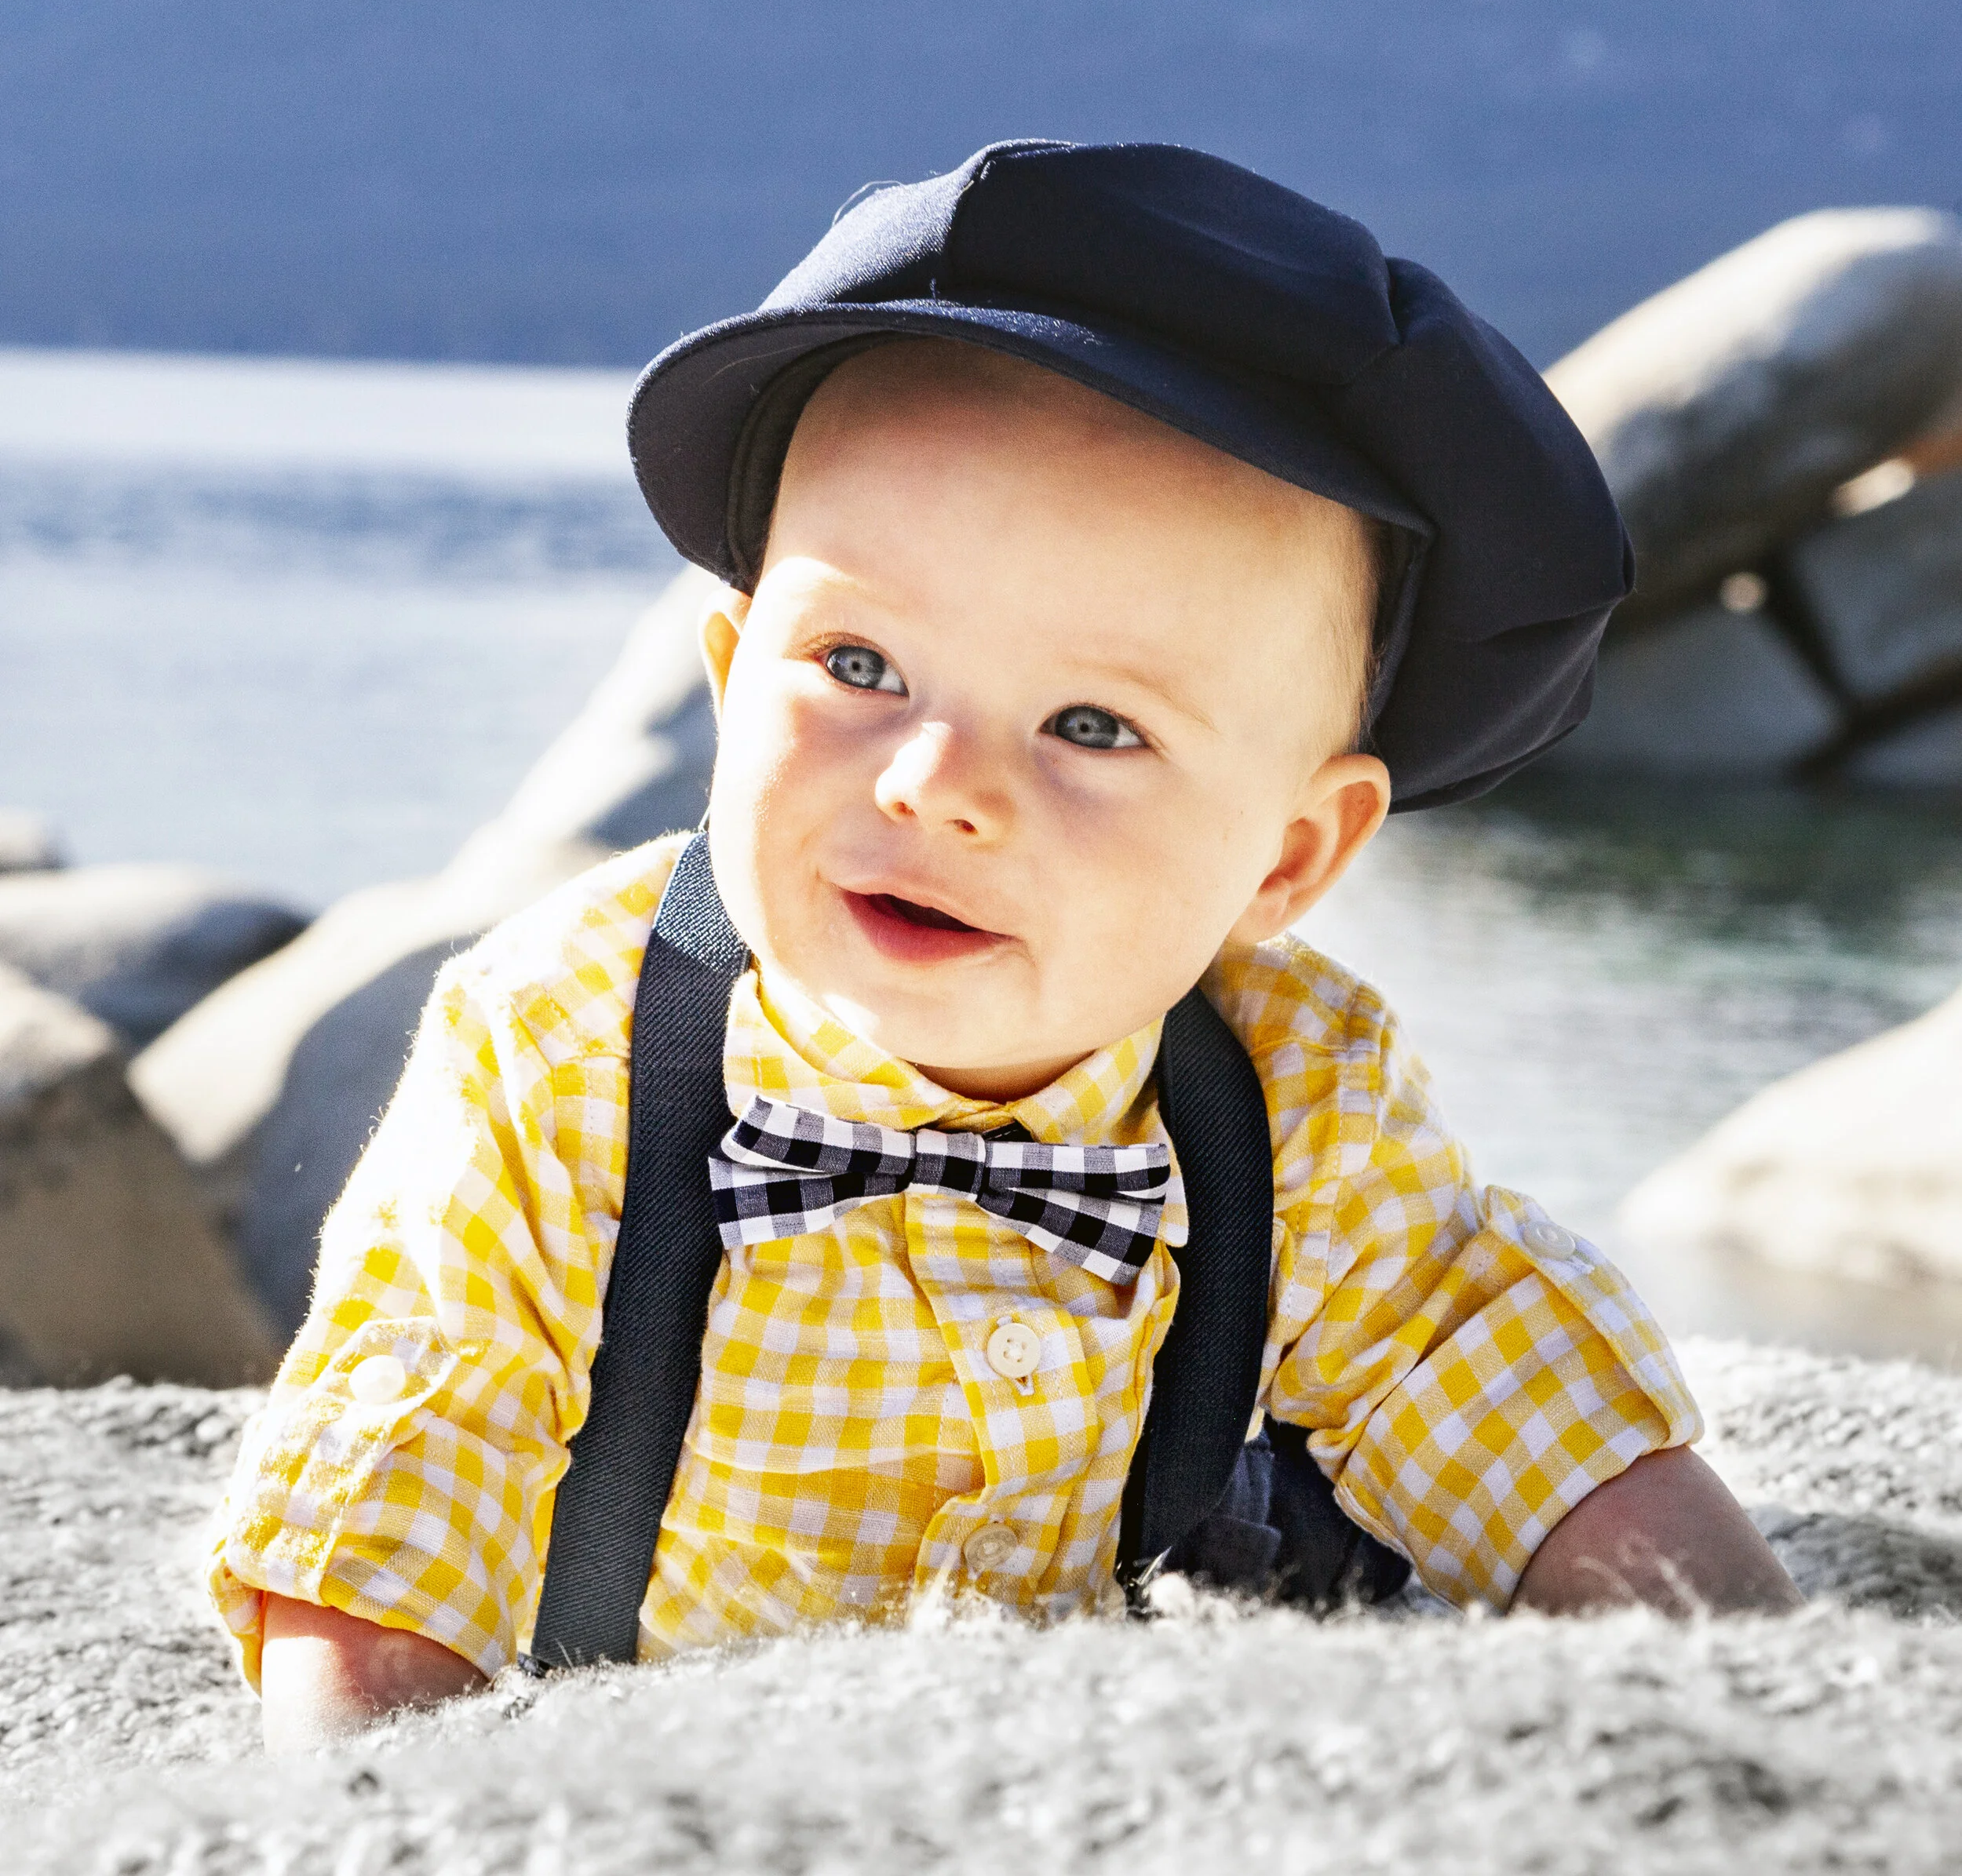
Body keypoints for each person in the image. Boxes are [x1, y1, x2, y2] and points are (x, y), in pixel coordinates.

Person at [213, 142, 1800, 1749]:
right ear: (726, 670)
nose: (935, 784)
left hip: (1089, 1751)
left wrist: (1749, 1706)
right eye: (857, 661)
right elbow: (405, 1462)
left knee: (1328, 1535)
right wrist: (371, 1802)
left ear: (1289, 851)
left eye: (1092, 725)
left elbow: (1495, 1380)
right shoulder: (559, 1049)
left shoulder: (1290, 1081)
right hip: (652, 1746)